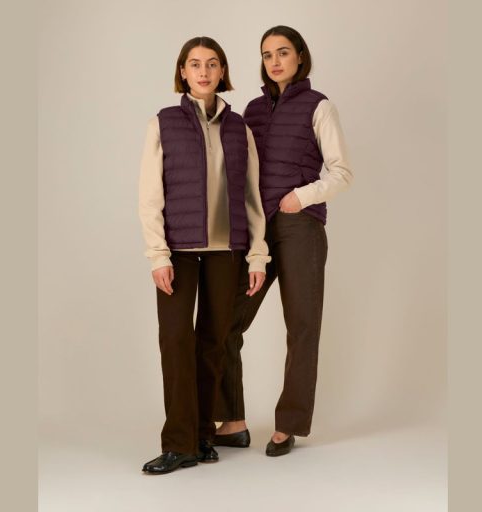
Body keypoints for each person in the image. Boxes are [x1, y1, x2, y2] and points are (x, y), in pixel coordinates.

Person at [213, 26, 353, 456]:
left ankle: (288, 424)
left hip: (299, 226)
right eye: (267, 54)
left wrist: (300, 197)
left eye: (283, 52)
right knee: (227, 320)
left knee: (302, 325)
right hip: (257, 230)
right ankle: (232, 420)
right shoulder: (252, 111)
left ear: (300, 57)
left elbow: (341, 172)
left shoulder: (319, 106)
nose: (274, 61)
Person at [138, 36, 270, 474]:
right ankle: (178, 444)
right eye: (195, 64)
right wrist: (158, 255)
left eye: (212, 64)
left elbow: (251, 195)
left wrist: (256, 254)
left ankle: (201, 436)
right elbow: (149, 196)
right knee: (176, 342)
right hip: (178, 252)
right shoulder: (163, 123)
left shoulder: (239, 128)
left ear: (222, 71)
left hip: (226, 253)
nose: (204, 72)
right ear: (183, 72)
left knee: (213, 344)